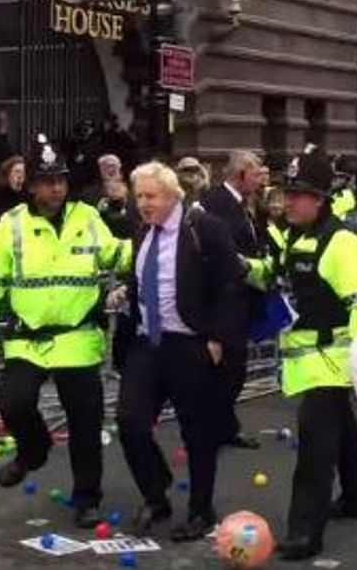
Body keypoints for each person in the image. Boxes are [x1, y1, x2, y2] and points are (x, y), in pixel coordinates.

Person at [0, 134, 129, 528]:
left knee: (85, 422)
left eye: (61, 180)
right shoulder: (12, 225)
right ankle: (32, 452)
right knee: (13, 404)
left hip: (77, 339)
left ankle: (86, 498)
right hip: (28, 340)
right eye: (46, 180)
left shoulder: (87, 217)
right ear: (30, 185)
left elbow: (116, 254)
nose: (55, 188)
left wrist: (151, 240)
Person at [243, 148, 357, 561]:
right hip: (309, 361)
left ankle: (305, 531)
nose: (288, 201)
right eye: (287, 192)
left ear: (319, 198)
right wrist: (239, 267)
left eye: (298, 194)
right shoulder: (295, 236)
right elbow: (276, 277)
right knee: (342, 432)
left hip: (331, 362)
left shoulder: (343, 244)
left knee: (315, 450)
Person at [118, 161, 244, 541]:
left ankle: (201, 510)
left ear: (173, 195)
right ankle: (156, 494)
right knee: (130, 421)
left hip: (190, 342)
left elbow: (229, 285)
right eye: (138, 196)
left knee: (198, 432)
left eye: (151, 196)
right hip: (148, 342)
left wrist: (219, 338)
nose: (143, 203)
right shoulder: (142, 232)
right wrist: (127, 292)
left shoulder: (204, 228)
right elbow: (143, 277)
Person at [200, 151, 264, 450]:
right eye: (255, 174)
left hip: (242, 296)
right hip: (223, 298)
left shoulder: (244, 205)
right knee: (229, 367)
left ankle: (224, 426)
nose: (260, 180)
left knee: (234, 366)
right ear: (240, 175)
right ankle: (215, 427)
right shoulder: (215, 203)